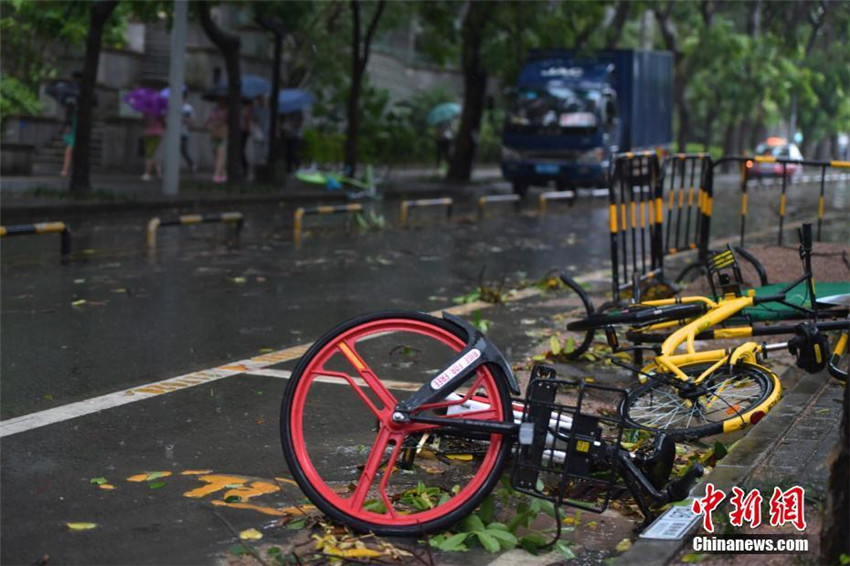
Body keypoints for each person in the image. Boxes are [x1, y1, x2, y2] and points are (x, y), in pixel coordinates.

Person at [204, 98, 228, 183]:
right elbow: (210, 119)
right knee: (215, 155)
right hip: (214, 134)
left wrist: (217, 123)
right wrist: (206, 125)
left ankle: (217, 174)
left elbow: (225, 121)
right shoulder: (214, 109)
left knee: (220, 155)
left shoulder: (227, 111)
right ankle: (222, 173)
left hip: (222, 134)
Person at [142, 114, 164, 181]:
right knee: (153, 154)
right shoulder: (160, 112)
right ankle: (158, 172)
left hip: (150, 134)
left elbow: (143, 123)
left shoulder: (147, 112)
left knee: (149, 154)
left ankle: (148, 173)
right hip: (156, 134)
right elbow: (165, 124)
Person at [59, 102, 77, 177]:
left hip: (75, 134)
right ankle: (65, 169)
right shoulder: (71, 116)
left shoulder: (75, 114)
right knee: (68, 153)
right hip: (72, 135)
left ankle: (65, 170)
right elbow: (67, 125)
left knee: (68, 153)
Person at [180, 94, 196, 172]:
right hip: (174, 134)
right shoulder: (173, 107)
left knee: (183, 150)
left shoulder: (187, 108)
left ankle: (191, 164)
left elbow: (192, 121)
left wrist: (183, 119)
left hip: (183, 133)